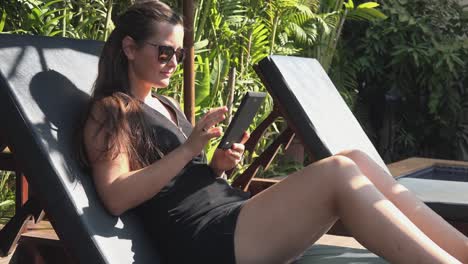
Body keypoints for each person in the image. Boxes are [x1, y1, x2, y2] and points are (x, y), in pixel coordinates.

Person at [77, 1, 468, 263]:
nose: (173, 62)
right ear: (129, 48)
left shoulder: (165, 104)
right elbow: (114, 196)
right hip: (205, 239)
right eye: (165, 52)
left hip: (229, 211)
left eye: (179, 54)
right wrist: (187, 150)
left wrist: (215, 165)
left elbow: (175, 180)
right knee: (337, 172)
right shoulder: (110, 111)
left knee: (355, 159)